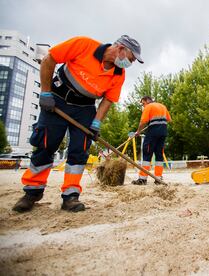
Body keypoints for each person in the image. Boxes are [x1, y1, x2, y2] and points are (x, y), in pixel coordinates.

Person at [12, 35, 144, 213]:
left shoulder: (119, 74)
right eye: (131, 58)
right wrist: (45, 92)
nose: (131, 62)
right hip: (57, 100)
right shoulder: (83, 45)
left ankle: (71, 196)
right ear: (121, 49)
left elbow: (108, 100)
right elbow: (49, 59)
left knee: (79, 150)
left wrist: (96, 122)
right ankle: (32, 192)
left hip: (84, 109)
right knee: (46, 144)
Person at [132, 96, 171, 185]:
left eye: (143, 103)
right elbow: (169, 119)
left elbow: (143, 121)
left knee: (147, 154)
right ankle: (158, 178)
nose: (143, 106)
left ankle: (142, 179)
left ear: (147, 101)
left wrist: (138, 131)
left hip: (153, 133)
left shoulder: (149, 107)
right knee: (159, 155)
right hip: (163, 133)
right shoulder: (163, 106)